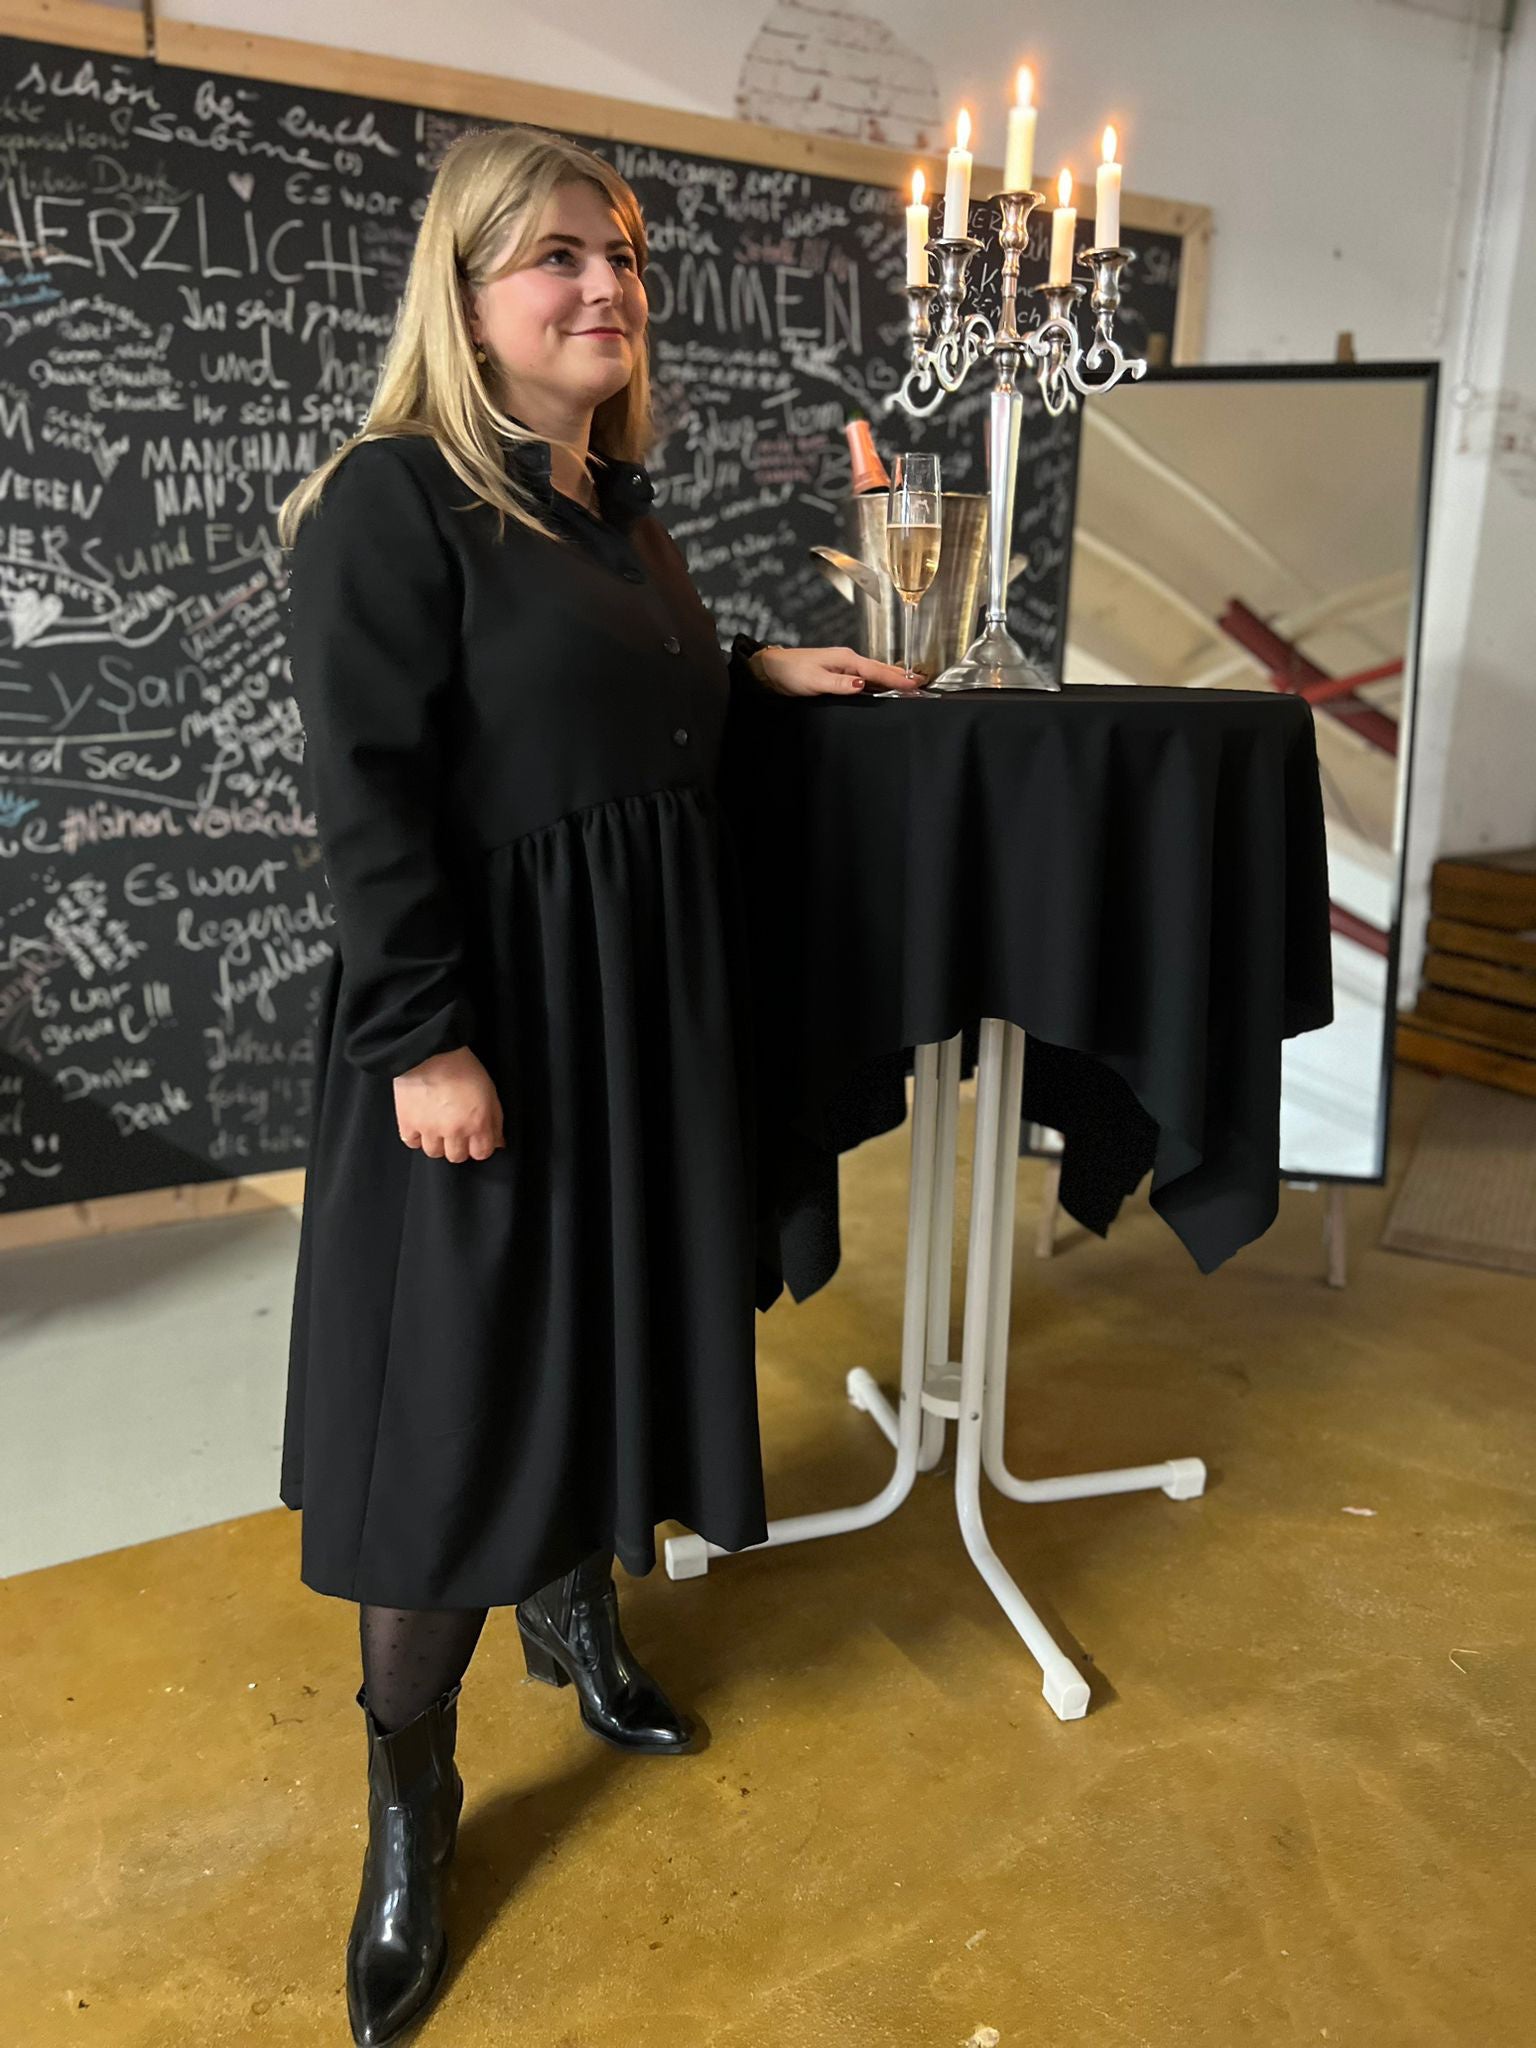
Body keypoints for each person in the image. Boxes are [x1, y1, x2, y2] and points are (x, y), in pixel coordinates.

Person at [277, 121, 917, 2045]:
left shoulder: (614, 507)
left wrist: (754, 668)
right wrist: (424, 1040)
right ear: (466, 293)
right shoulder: (392, 498)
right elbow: (368, 796)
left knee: (603, 1336)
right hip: (492, 1018)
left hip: (638, 1012)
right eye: (558, 255)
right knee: (453, 1408)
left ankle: (577, 1609)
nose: (605, 286)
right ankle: (412, 1793)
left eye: (624, 254)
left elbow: (614, 690)